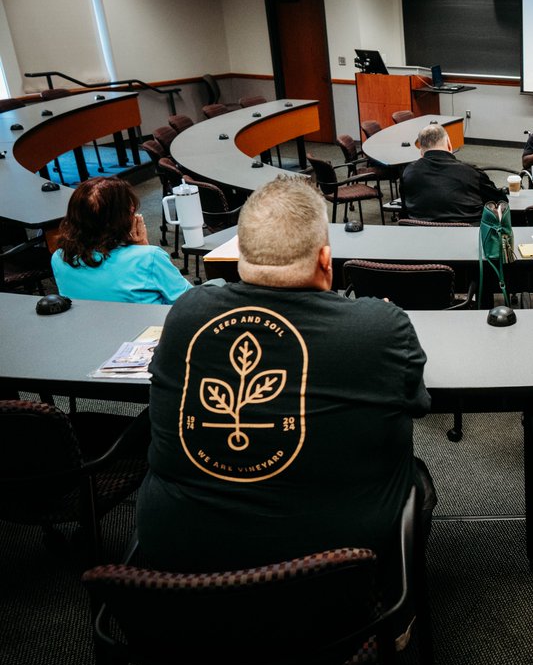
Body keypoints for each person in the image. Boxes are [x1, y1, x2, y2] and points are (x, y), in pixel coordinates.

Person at [136, 175, 436, 590]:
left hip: (179, 578)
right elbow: (416, 403)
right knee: (416, 474)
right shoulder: (380, 327)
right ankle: (397, 615)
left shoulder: (187, 313)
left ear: (240, 252)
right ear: (325, 260)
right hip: (335, 580)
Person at [50, 176, 192, 305]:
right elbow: (189, 302)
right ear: (123, 218)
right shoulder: (149, 258)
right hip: (148, 331)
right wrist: (144, 247)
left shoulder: (59, 258)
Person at [400, 123, 507, 223]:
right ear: (449, 144)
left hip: (421, 238)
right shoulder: (472, 173)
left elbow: (405, 211)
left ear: (421, 151)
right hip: (467, 238)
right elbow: (500, 201)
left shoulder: (408, 173)